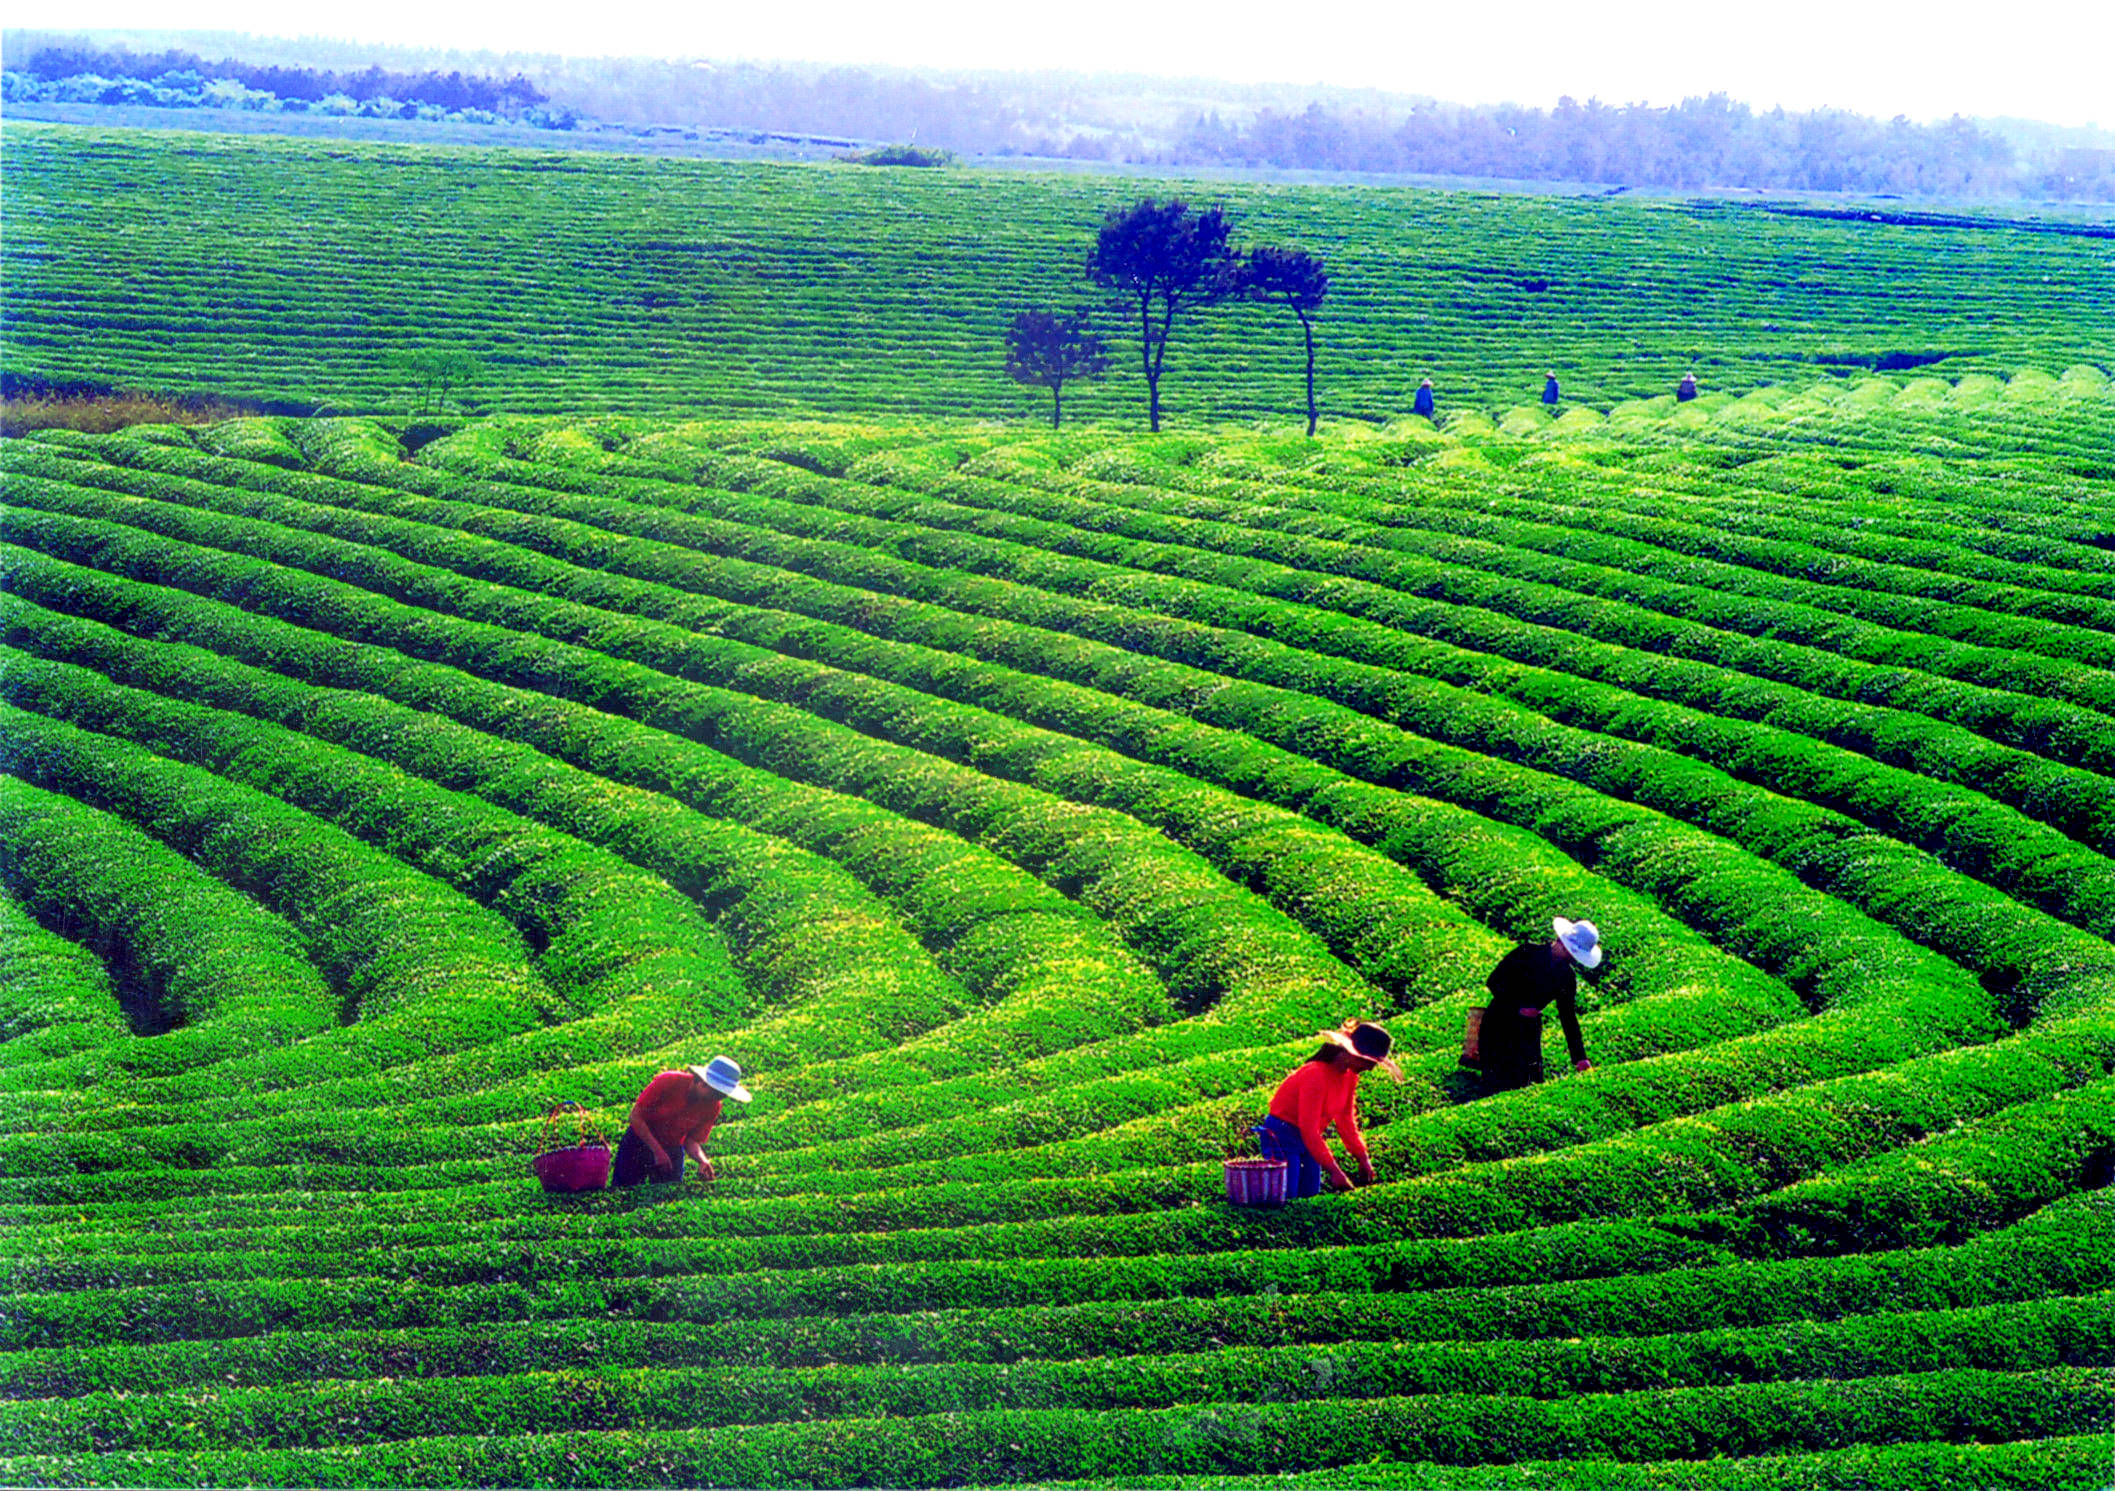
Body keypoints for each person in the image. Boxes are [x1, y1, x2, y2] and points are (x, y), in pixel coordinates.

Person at [1258, 1019, 1401, 1198]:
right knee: (1287, 1193)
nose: (1371, 1068)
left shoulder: (1349, 1077)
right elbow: (1308, 1128)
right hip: (1282, 1134)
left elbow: (1346, 1121)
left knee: (1310, 1191)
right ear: (1352, 1053)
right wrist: (1335, 1171)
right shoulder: (1315, 1074)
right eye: (1369, 1062)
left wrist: (1363, 1158)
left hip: (1308, 1137)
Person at [1474, 918, 1600, 1092]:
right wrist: (1517, 1007)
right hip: (1500, 1022)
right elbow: (1494, 981)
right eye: (1571, 954)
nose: (1573, 960)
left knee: (1530, 1086)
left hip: (1528, 1031)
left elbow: (1568, 1017)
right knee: (1498, 1083)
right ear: (1562, 944)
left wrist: (1580, 1057)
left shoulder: (1566, 977)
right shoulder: (1526, 953)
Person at [613, 1056, 751, 1186]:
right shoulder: (668, 1081)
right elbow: (635, 1117)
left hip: (671, 1148)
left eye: (722, 1096)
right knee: (624, 1190)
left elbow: (691, 1140)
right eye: (716, 1093)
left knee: (668, 1198)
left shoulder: (714, 1106)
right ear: (702, 1082)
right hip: (639, 1142)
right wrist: (657, 1151)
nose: (717, 1099)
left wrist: (702, 1161)